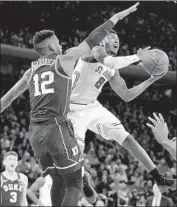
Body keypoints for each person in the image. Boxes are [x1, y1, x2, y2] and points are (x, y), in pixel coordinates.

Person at [0, 3, 140, 206]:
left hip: (35, 134)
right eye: (57, 42)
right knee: (75, 182)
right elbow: (94, 38)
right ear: (50, 47)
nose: (61, 45)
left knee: (58, 178)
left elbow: (8, 98)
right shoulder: (63, 60)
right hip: (56, 128)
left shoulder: (30, 71)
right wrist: (116, 17)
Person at [68, 29, 176, 200]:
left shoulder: (113, 70)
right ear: (103, 41)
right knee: (74, 155)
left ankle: (158, 177)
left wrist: (152, 79)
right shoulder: (95, 51)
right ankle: (83, 180)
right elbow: (110, 62)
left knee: (127, 138)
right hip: (71, 110)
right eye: (113, 38)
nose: (117, 41)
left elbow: (126, 95)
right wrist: (137, 57)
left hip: (92, 107)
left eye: (118, 39)